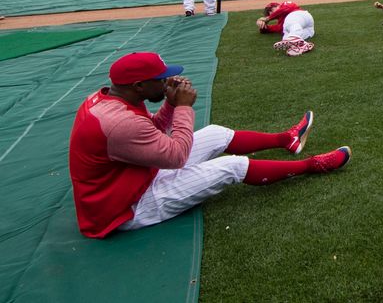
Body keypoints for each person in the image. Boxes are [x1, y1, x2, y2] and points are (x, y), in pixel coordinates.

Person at [68, 52, 351, 239]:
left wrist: (167, 102)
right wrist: (181, 107)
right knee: (232, 165)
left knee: (215, 133)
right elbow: (176, 155)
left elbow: (150, 133)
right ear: (139, 85)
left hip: (133, 177)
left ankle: (285, 139)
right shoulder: (119, 122)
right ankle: (312, 166)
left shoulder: (113, 97)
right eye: (161, 79)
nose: (168, 80)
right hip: (127, 207)